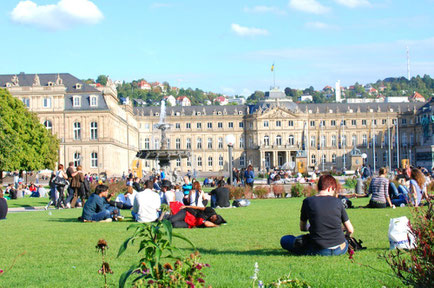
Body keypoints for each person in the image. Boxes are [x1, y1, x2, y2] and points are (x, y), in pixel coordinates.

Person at [280, 175, 354, 256]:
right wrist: (346, 236)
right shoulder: (338, 202)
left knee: (285, 240)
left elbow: (302, 228)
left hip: (319, 249)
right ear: (330, 188)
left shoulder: (307, 202)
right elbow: (350, 230)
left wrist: (310, 227)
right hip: (339, 249)